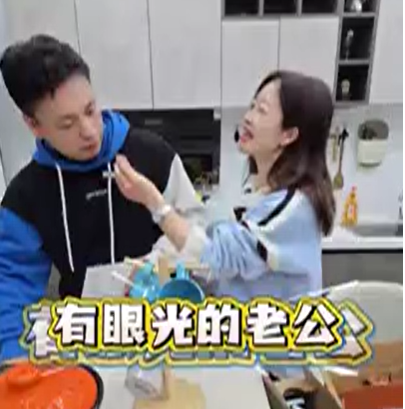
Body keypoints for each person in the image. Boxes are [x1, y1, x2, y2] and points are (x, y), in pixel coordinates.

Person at [0, 34, 203, 361]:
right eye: (67, 123)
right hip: (86, 342)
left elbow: (196, 232)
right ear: (34, 125)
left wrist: (156, 263)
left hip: (161, 329)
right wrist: (14, 364)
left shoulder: (152, 155)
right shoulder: (25, 197)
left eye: (90, 110)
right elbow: (10, 290)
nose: (89, 131)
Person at [113, 70, 336, 303]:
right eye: (252, 106)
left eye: (262, 110)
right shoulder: (259, 195)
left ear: (288, 135)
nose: (248, 117)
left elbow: (216, 257)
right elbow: (225, 262)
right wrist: (159, 265)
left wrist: (153, 201)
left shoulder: (293, 209)